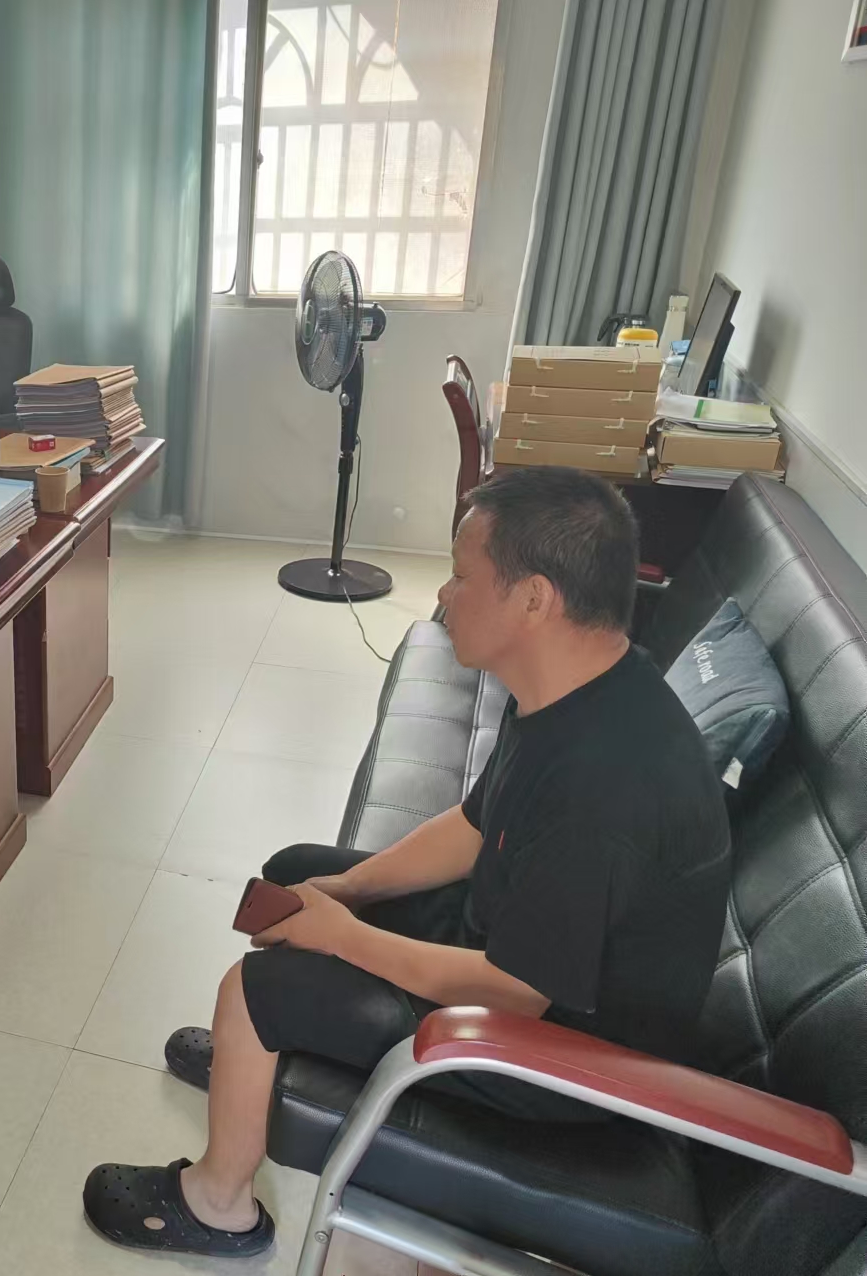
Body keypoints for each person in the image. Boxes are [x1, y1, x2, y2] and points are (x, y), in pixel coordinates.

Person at [82, 466, 731, 1258]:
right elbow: (474, 825)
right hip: (518, 947)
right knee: (295, 872)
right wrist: (346, 890)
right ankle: (255, 1057)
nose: (444, 597)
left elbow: (512, 992)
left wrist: (341, 934)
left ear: (534, 599)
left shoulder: (606, 785)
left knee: (252, 986)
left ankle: (218, 1205)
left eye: (462, 577)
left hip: (561, 1060)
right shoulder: (575, 687)